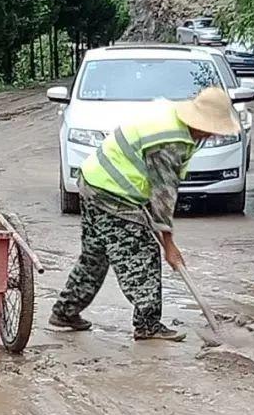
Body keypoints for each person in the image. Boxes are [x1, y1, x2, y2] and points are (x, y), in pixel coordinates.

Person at [48, 87, 241, 341]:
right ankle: (148, 324)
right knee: (144, 254)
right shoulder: (171, 142)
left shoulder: (176, 120)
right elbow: (162, 195)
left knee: (95, 255)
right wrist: (169, 245)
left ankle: (65, 312)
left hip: (93, 182)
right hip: (112, 193)